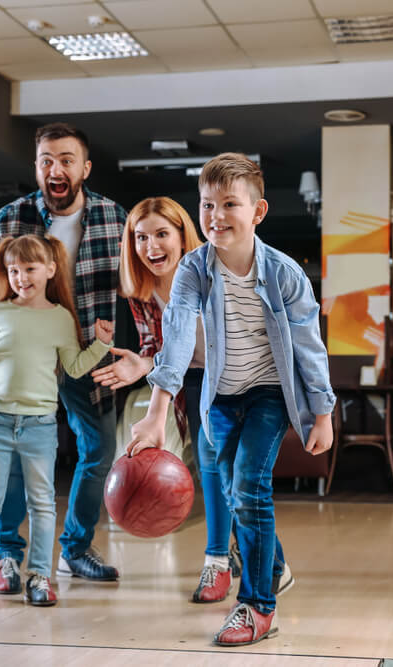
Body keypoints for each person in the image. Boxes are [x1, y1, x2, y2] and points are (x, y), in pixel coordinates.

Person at [127, 154, 335, 647]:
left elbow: (309, 346)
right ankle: (275, 566)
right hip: (218, 396)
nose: (216, 215)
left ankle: (259, 606)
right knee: (236, 494)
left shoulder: (285, 274)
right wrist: (156, 416)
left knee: (248, 486)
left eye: (229, 204)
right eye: (206, 205)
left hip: (268, 394)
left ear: (257, 211)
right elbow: (175, 338)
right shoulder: (193, 271)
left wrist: (323, 413)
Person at [0, 123, 125, 590]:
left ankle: (76, 548)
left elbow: (145, 283)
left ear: (84, 168)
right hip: (22, 356)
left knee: (100, 450)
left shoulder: (113, 218)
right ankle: (6, 555)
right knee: (10, 456)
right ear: (37, 168)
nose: (55, 169)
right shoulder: (10, 218)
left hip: (85, 353)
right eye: (46, 160)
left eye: (66, 159)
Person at [0, 235, 115, 608]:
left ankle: (40, 575)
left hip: (39, 425)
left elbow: (73, 367)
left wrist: (99, 345)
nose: (21, 277)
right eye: (14, 270)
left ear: (50, 270)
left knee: (42, 504)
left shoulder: (61, 318)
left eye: (30, 269)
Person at [91, 196, 241, 603]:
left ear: (182, 236)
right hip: (192, 380)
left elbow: (211, 342)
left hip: (237, 379)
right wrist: (141, 363)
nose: (151, 246)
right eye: (140, 237)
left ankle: (263, 559)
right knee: (213, 468)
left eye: (161, 234)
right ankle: (218, 562)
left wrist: (143, 365)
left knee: (236, 476)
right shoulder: (141, 291)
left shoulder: (212, 273)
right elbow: (158, 346)